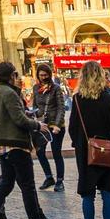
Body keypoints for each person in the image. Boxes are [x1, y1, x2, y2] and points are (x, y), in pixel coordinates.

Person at [0, 62, 58, 219]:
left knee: (6, 182)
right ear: (11, 76)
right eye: (16, 75)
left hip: (1, 144)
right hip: (15, 143)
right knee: (28, 185)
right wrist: (38, 125)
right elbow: (19, 119)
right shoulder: (9, 93)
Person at [66, 61, 110, 219]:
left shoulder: (77, 99)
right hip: (106, 151)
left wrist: (79, 145)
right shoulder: (109, 98)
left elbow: (72, 128)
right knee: (107, 193)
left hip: (85, 152)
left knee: (87, 195)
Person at [30, 63, 66, 193]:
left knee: (56, 153)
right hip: (42, 125)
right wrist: (33, 118)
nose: (43, 77)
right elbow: (35, 106)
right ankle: (49, 177)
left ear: (49, 75)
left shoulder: (56, 88)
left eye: (45, 75)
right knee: (40, 152)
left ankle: (60, 180)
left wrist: (57, 125)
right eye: (41, 75)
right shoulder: (35, 88)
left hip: (55, 125)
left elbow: (61, 108)